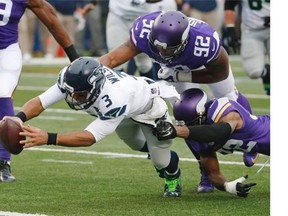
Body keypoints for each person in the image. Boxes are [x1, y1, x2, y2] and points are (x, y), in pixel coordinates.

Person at [98, 10, 258, 193]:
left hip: (199, 66)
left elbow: (219, 74)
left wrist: (180, 75)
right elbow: (111, 59)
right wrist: (84, 71)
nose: (161, 51)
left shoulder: (204, 41)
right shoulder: (143, 29)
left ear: (183, 42)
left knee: (229, 98)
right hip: (174, 69)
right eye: (157, 46)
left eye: (167, 48)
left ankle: (251, 143)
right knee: (187, 115)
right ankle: (206, 171)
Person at [3, 57, 182, 197]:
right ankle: (153, 150)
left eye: (79, 95)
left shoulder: (115, 98)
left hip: (149, 108)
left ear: (96, 87)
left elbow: (90, 137)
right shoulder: (72, 79)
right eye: (71, 93)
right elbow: (42, 101)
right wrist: (19, 118)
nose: (73, 98)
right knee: (134, 144)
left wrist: (48, 138)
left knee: (160, 160)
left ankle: (172, 174)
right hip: (126, 110)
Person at [0, 0, 79, 183]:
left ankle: (3, 161)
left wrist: (74, 58)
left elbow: (51, 20)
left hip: (5, 51)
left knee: (3, 95)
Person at [153, 88, 270, 197]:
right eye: (186, 125)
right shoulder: (195, 134)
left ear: (201, 113)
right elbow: (212, 172)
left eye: (192, 123)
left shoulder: (223, 108)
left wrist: (179, 131)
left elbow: (219, 131)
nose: (189, 127)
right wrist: (229, 187)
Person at [105, 0, 177, 80]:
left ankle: (152, 89)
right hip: (117, 15)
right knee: (113, 58)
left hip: (141, 17)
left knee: (144, 63)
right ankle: (118, 90)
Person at [224, 0, 270, 95]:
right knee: (253, 71)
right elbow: (229, 4)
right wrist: (230, 28)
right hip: (251, 31)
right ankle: (267, 72)